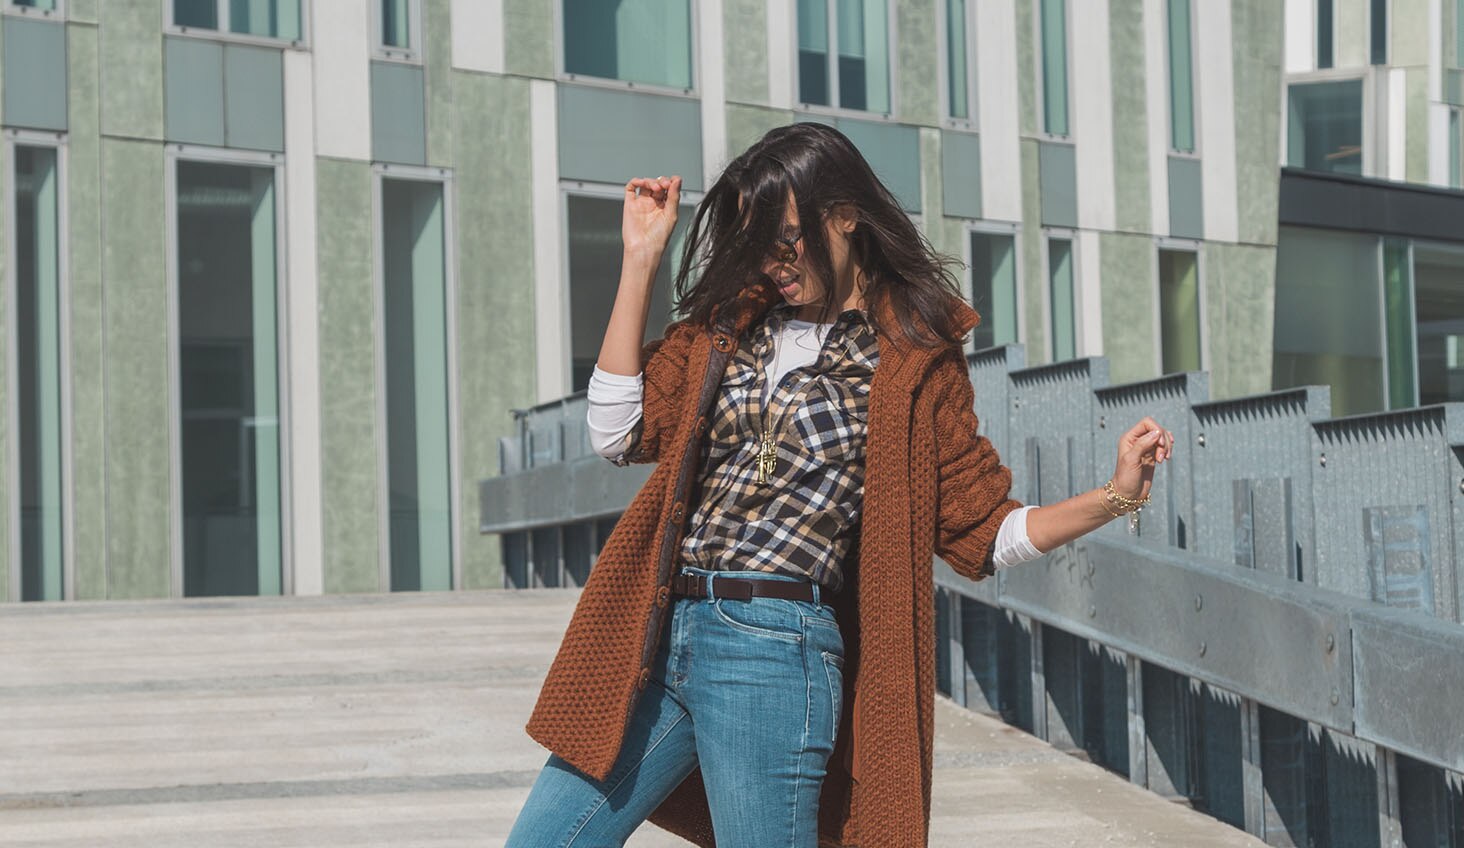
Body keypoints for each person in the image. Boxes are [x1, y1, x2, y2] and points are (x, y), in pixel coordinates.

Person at [505, 123, 1174, 847]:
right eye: (758, 242)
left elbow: (986, 532)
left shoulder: (911, 362)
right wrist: (640, 261)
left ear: (845, 216)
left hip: (774, 653)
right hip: (663, 636)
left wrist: (1117, 495)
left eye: (787, 239)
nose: (773, 261)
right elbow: (617, 433)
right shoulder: (734, 323)